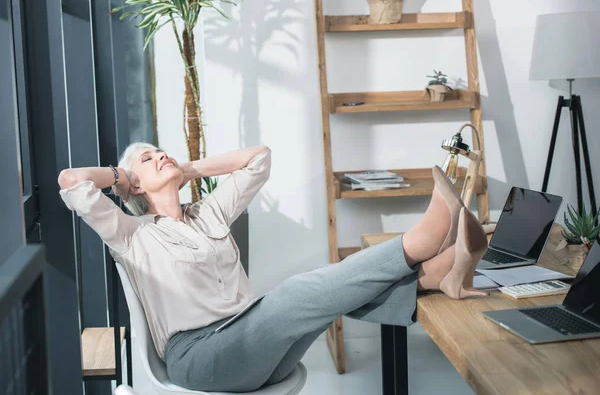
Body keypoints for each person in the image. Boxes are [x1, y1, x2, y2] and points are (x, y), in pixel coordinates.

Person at [57, 143, 488, 392]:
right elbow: (69, 180)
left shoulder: (207, 213)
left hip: (256, 349)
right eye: (149, 160)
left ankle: (434, 276)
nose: (161, 155)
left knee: (328, 297)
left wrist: (189, 168)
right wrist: (118, 175)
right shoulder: (132, 233)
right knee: (296, 293)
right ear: (135, 186)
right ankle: (423, 244)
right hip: (201, 357)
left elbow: (259, 158)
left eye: (162, 150)